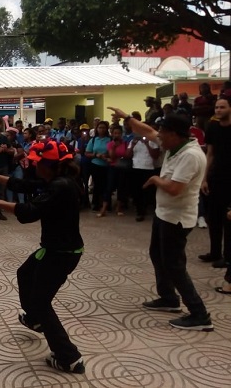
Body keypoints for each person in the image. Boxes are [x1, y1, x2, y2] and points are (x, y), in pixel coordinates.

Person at [0, 140, 85, 374]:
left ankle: (69, 357)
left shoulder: (61, 187)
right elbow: (22, 184)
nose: (33, 166)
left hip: (61, 254)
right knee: (25, 273)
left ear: (50, 165)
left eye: (37, 163)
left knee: (42, 302)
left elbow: (30, 212)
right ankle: (34, 319)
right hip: (55, 249)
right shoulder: (55, 181)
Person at [109, 107, 213, 331]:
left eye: (162, 133)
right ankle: (168, 298)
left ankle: (199, 314)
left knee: (175, 265)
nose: (159, 137)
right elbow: (146, 131)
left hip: (177, 218)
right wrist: (126, 117)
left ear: (174, 134)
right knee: (157, 255)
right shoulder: (174, 144)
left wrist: (155, 179)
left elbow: (175, 188)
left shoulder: (191, 156)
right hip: (164, 213)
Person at [199, 97, 231, 268]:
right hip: (215, 177)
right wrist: (204, 178)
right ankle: (214, 252)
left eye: (222, 107)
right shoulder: (212, 127)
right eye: (217, 107)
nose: (218, 110)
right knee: (214, 217)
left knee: (229, 219)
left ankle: (228, 257)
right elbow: (210, 154)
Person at [85, 121, 111, 212]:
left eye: (103, 127)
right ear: (97, 129)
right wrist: (96, 155)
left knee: (106, 185)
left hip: (107, 165)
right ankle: (96, 203)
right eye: (100, 128)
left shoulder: (110, 140)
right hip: (95, 164)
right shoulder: (93, 140)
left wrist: (107, 156)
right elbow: (87, 153)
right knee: (97, 185)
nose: (102, 129)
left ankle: (106, 204)